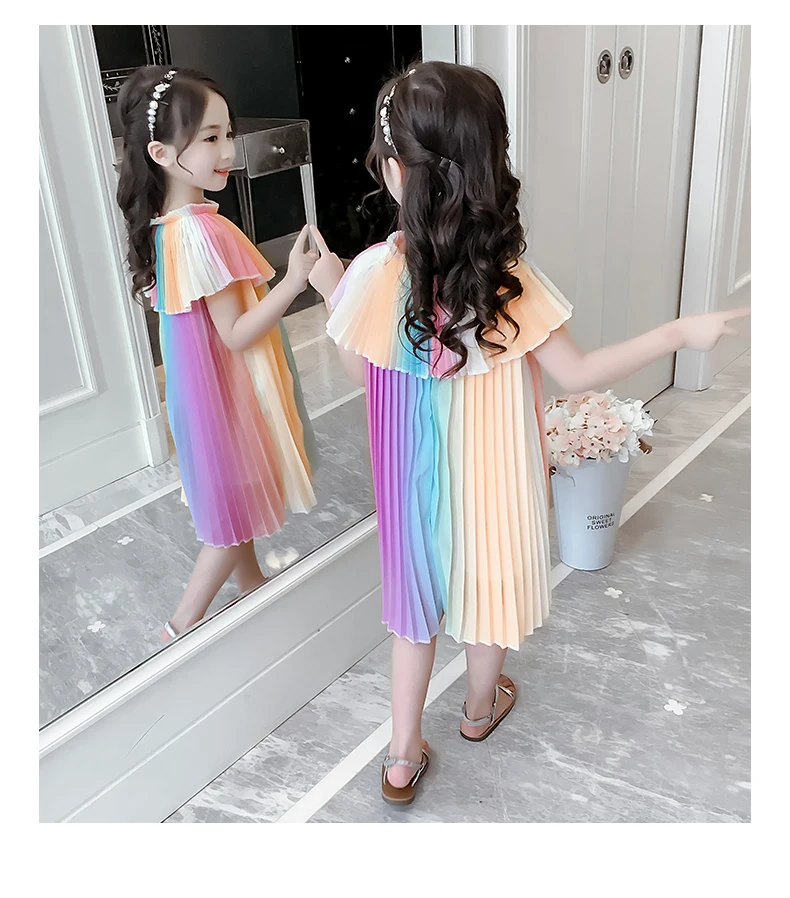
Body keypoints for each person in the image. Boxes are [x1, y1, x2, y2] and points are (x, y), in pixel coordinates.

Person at [306, 61, 749, 806]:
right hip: (493, 477)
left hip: (411, 480)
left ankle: (402, 756)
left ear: (395, 170)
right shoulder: (503, 276)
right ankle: (479, 711)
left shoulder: (377, 271)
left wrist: (331, 291)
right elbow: (579, 371)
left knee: (414, 616)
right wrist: (678, 332)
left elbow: (359, 371)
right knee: (489, 595)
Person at [115, 66, 320, 643]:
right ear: (160, 153)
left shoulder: (170, 227)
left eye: (228, 133)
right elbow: (235, 333)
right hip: (225, 398)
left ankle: (253, 587)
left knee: (236, 500)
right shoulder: (202, 232)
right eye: (209, 138)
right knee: (228, 523)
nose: (227, 150)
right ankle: (179, 628)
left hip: (205, 396)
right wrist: (294, 280)